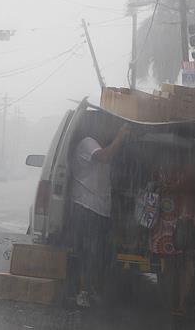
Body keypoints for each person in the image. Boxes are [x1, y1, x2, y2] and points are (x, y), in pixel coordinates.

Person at [70, 123, 130, 307]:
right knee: (88, 251)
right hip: (86, 207)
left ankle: (91, 289)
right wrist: (120, 137)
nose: (109, 133)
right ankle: (82, 292)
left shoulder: (102, 146)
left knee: (99, 253)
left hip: (100, 209)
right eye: (107, 128)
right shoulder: (88, 143)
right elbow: (103, 157)